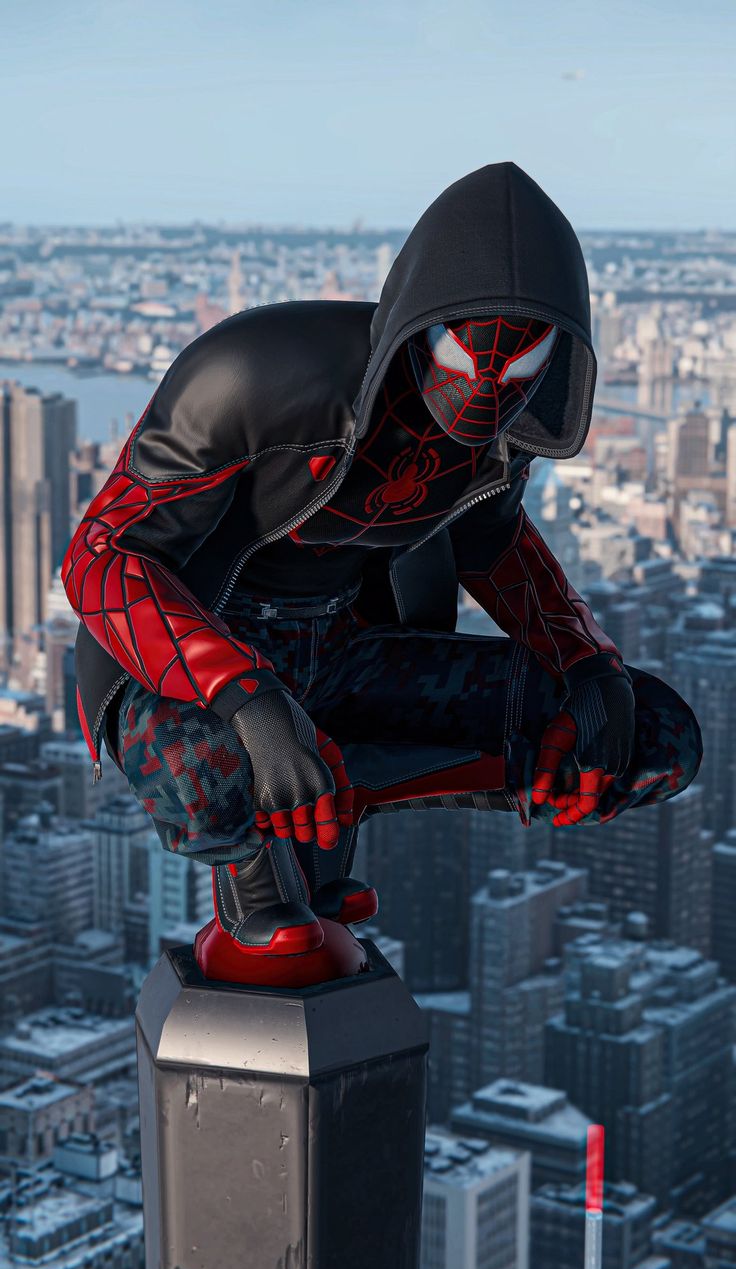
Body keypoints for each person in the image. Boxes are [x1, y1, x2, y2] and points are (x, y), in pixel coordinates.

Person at [63, 162, 702, 985]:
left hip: (354, 653)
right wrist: (247, 700)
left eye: (516, 367)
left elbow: (496, 545)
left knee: (654, 738)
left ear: (553, 354)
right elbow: (103, 558)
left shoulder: (505, 435)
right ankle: (262, 869)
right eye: (464, 357)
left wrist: (589, 665)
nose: (485, 392)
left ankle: (330, 800)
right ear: (417, 322)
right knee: (207, 771)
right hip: (189, 658)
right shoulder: (254, 374)